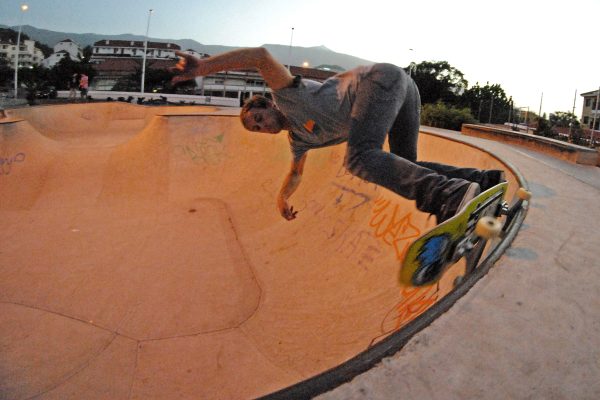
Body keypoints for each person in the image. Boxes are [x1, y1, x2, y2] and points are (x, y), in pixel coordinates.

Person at [171, 48, 504, 283]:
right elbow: (295, 173)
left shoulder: (288, 95)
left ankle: (449, 196)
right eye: (256, 129)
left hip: (380, 81)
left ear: (268, 105)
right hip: (403, 91)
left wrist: (201, 68)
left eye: (258, 118)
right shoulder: (298, 141)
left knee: (359, 157)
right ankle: (481, 180)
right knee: (404, 163)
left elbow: (259, 55)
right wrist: (281, 198)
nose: (262, 127)